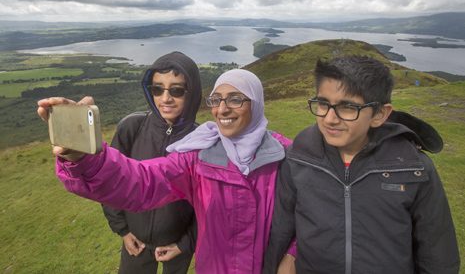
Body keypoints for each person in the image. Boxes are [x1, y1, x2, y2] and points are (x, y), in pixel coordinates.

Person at [37, 69, 296, 274]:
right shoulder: (197, 157)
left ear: (257, 103)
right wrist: (83, 157)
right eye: (216, 99)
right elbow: (141, 181)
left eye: (236, 99)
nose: (223, 108)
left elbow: (313, 212)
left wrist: (293, 254)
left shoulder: (287, 156)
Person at [264, 56, 460, 273]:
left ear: (379, 114)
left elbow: (438, 253)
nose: (329, 119)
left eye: (347, 107)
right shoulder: (298, 159)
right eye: (322, 103)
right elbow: (280, 232)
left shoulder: (413, 168)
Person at [102, 52, 200, 274]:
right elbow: (111, 184)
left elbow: (207, 203)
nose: (165, 98)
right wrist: (123, 231)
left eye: (176, 90)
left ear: (191, 93)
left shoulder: (201, 141)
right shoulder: (132, 128)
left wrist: (185, 244)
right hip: (135, 241)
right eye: (157, 89)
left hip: (177, 246)